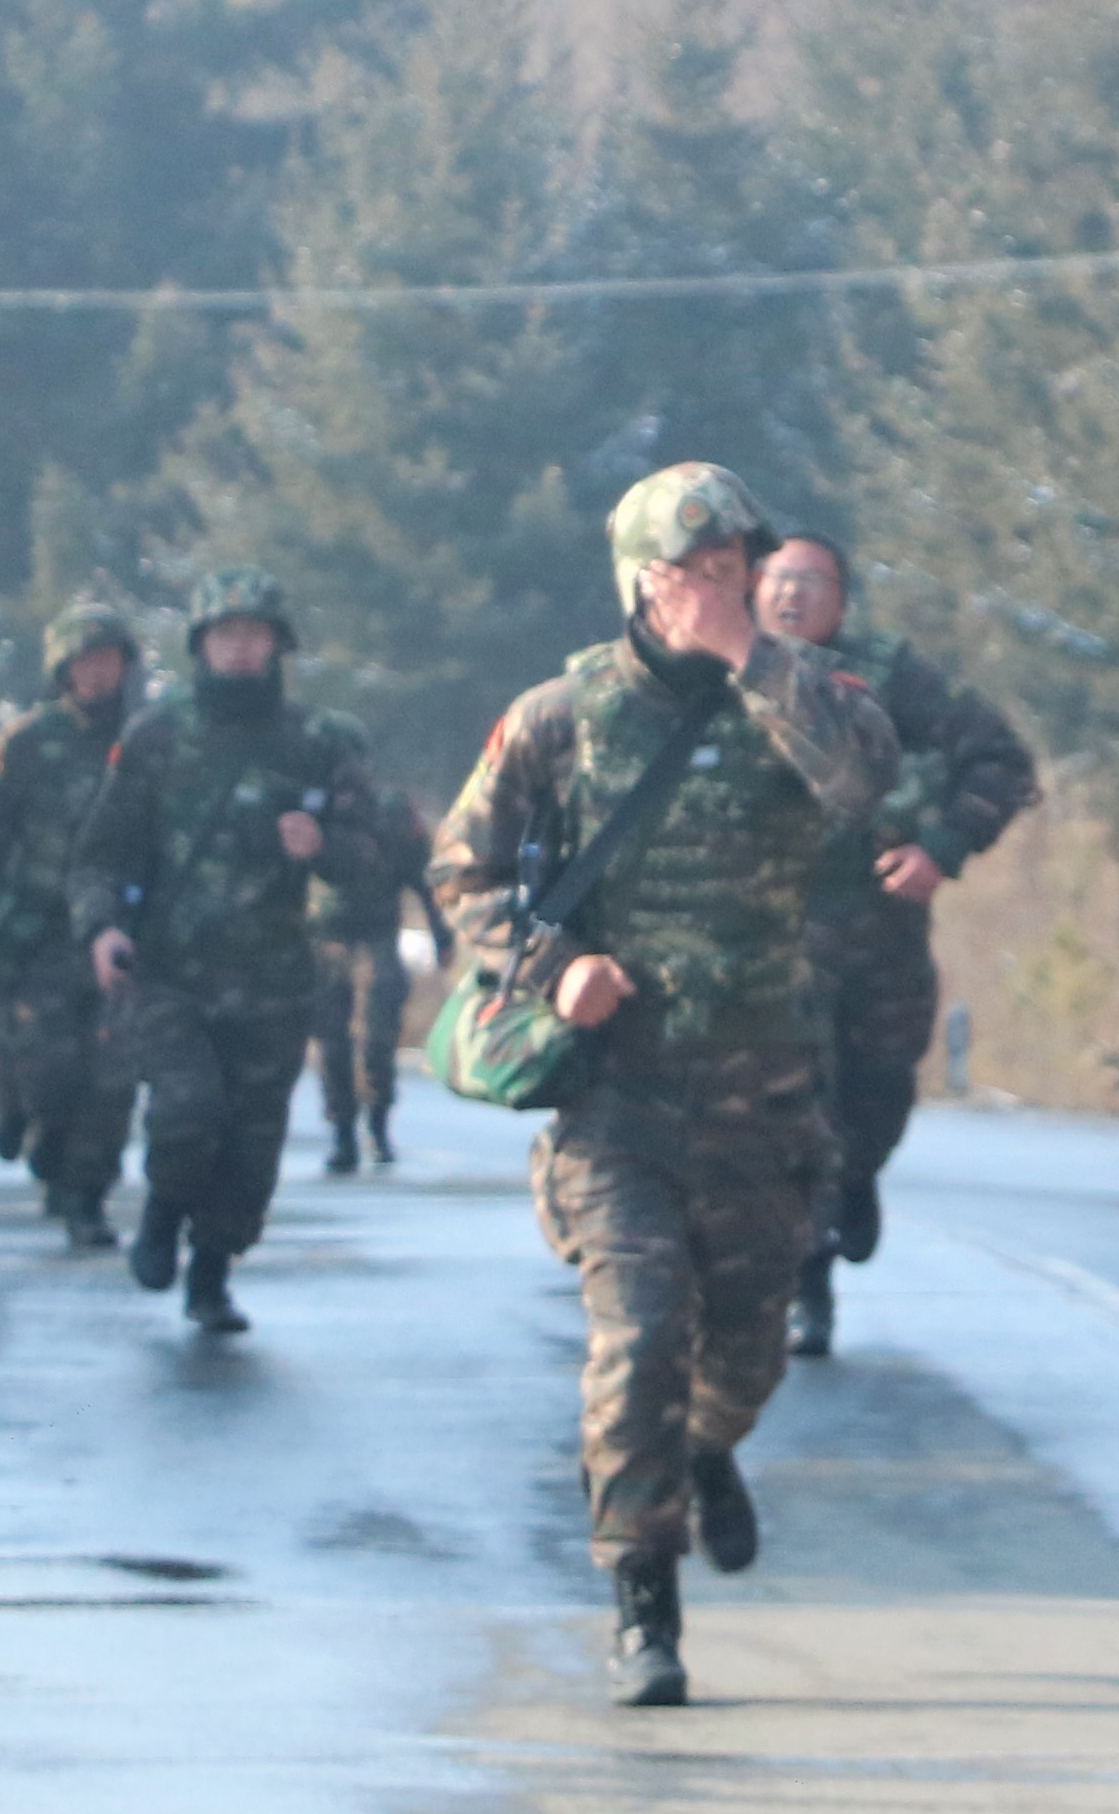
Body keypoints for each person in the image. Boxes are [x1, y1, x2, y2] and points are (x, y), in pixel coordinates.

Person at [436, 466, 894, 1705]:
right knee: (638, 1342)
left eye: (739, 568)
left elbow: (862, 786)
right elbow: (461, 870)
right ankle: (644, 1599)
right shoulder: (562, 714)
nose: (723, 590)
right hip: (618, 1103)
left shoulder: (802, 696)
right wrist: (553, 963)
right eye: (699, 572)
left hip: (767, 1100)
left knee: (743, 1358)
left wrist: (755, 657)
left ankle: (702, 1452)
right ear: (645, 580)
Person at [753, 531, 1040, 1356]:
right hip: (769, 939)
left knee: (875, 1098)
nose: (792, 597)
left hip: (878, 933)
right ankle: (806, 1281)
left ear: (842, 598)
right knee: (790, 1110)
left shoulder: (887, 674)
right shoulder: (729, 671)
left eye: (811, 581)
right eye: (776, 579)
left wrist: (940, 850)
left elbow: (1000, 759)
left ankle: (855, 1181)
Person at [78, 574, 372, 1339]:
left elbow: (377, 854)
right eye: (225, 634)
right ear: (201, 644)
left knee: (251, 1143)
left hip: (273, 978)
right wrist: (103, 929)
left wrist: (325, 848)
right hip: (172, 971)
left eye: (255, 634)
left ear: (278, 644)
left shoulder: (318, 742)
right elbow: (102, 853)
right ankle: (163, 1212)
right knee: (186, 1111)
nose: (241, 648)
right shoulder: (156, 736)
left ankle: (211, 1272)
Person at [0, 604, 147, 1245]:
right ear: (63, 671)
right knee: (48, 1068)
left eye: (110, 662)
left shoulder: (150, 740)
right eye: (85, 663)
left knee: (114, 1076)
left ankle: (86, 1195)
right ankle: (37, 1136)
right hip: (36, 936)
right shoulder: (25, 743)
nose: (98, 675)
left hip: (121, 931)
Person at [304, 746, 439, 1179]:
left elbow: (421, 874)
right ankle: (343, 1131)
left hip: (377, 936)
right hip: (325, 940)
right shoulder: (312, 808)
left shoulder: (392, 813)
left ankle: (377, 1127)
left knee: (377, 1038)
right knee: (332, 1043)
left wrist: (441, 933)